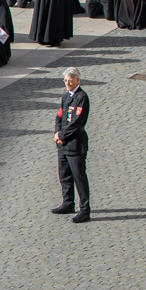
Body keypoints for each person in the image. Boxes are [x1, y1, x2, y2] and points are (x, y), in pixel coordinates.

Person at [52, 67, 90, 222]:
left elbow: (77, 122)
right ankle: (68, 202)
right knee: (64, 175)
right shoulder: (65, 97)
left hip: (75, 144)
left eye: (70, 80)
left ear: (77, 81)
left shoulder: (82, 97)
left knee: (79, 177)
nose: (67, 83)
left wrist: (61, 135)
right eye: (66, 80)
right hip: (63, 145)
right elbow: (59, 117)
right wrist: (57, 133)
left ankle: (85, 210)